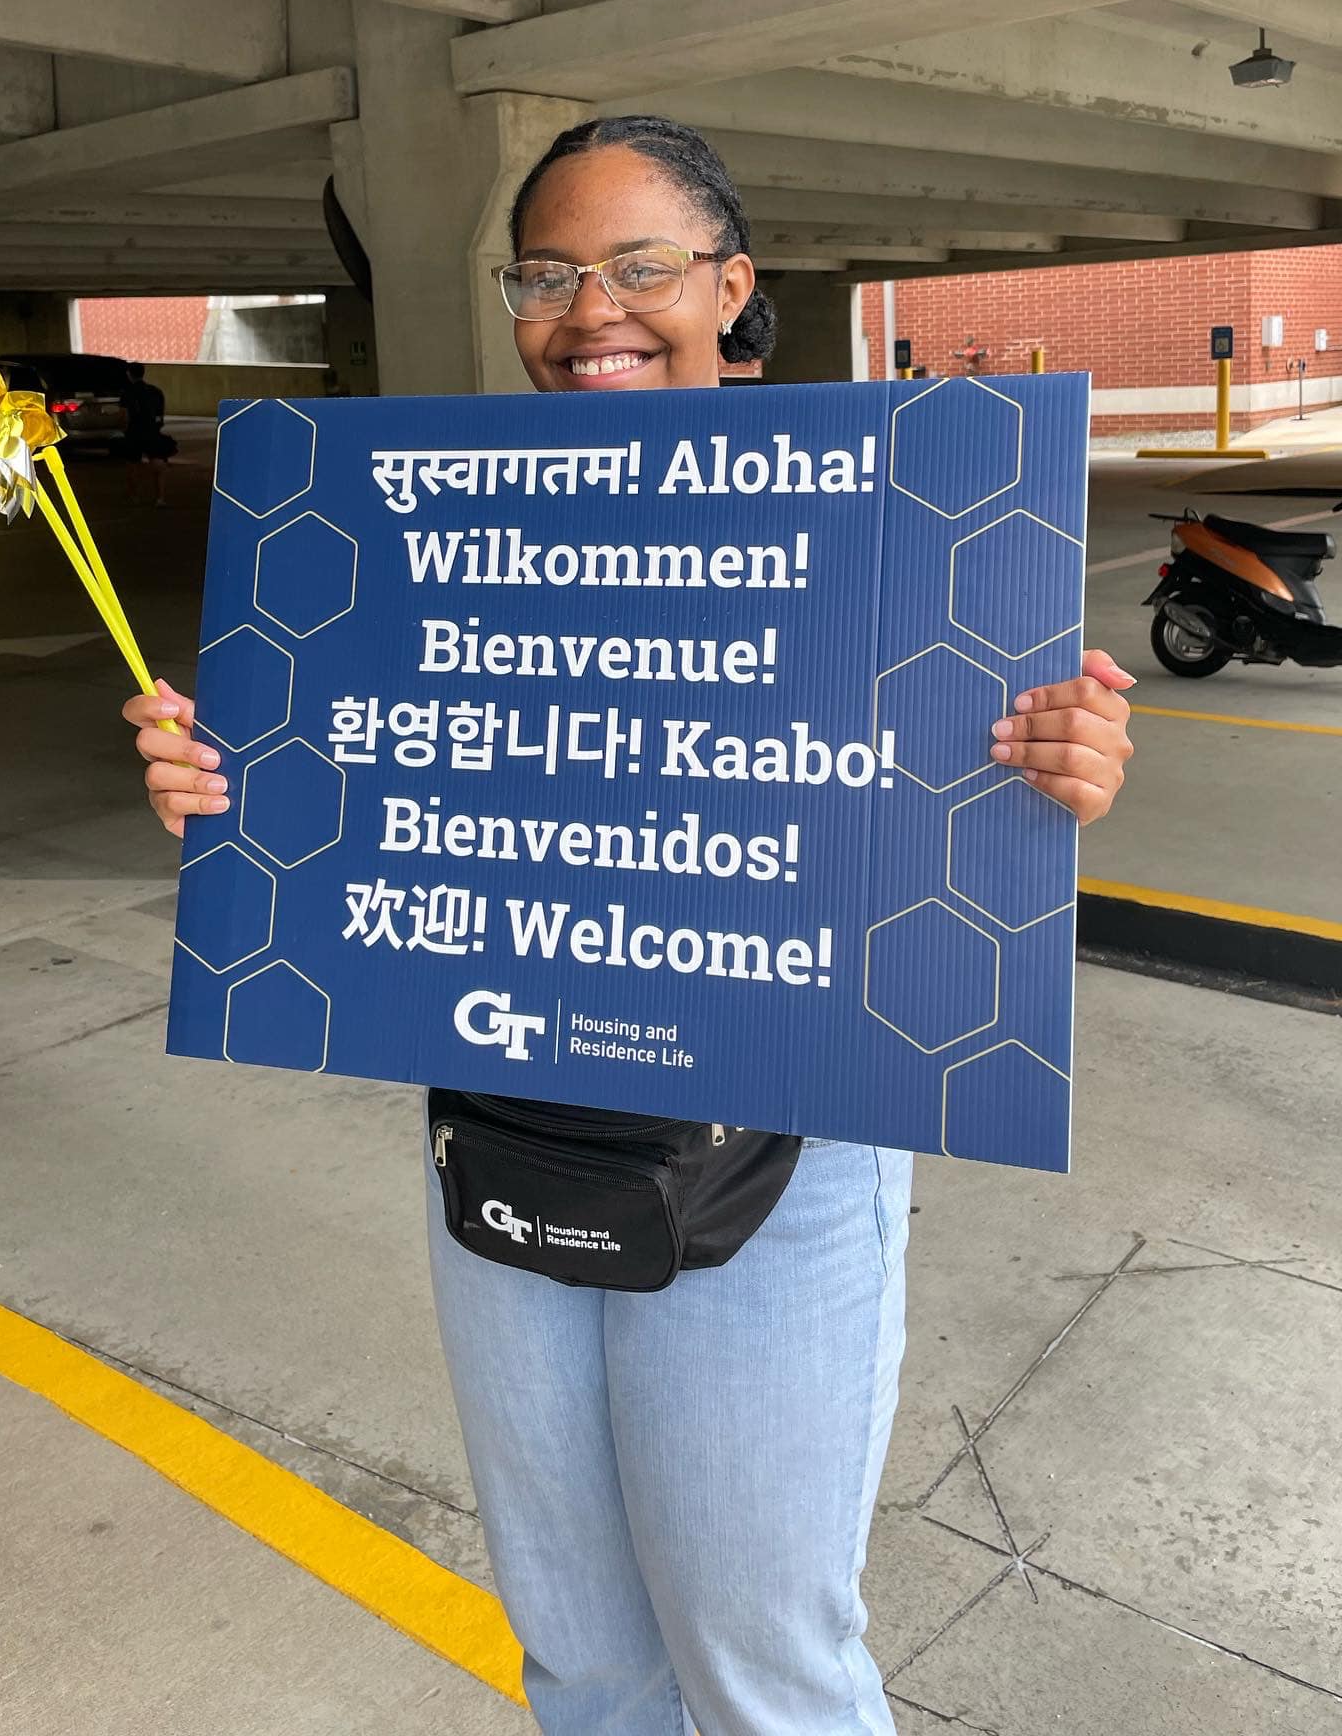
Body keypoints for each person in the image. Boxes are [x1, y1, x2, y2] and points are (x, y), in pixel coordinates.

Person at [124, 117, 1134, 1735]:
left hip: (783, 1166)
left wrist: (1054, 775)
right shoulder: (422, 525)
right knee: (584, 1658)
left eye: (640, 266)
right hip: (507, 1144)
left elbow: (955, 787)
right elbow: (344, 780)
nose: (588, 309)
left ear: (733, 288)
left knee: (764, 1669)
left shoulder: (884, 507)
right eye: (546, 273)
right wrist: (220, 787)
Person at [120, 360, 173, 506]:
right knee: (159, 464)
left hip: (134, 432)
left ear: (129, 374)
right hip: (152, 432)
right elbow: (160, 414)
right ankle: (160, 497)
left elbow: (124, 416)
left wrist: (124, 430)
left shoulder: (127, 393)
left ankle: (134, 497)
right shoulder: (155, 391)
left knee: (132, 465)